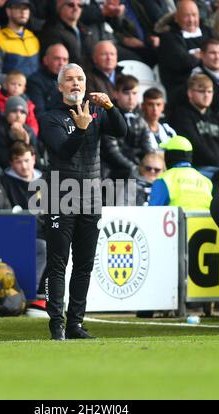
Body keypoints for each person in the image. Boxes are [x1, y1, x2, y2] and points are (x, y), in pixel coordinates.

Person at [39, 63, 127, 340]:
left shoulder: (97, 113)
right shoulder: (50, 117)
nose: (75, 83)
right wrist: (80, 130)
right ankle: (57, 325)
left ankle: (75, 324)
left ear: (86, 85)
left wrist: (111, 107)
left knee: (84, 264)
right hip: (59, 195)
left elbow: (122, 131)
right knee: (58, 263)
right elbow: (63, 151)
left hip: (90, 196)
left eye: (80, 79)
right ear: (59, 86)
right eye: (69, 79)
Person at [0, 141, 46, 297]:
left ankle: (51, 293)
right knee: (42, 247)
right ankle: (30, 293)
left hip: (45, 232)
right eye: (18, 162)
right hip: (19, 233)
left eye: (26, 160)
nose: (24, 166)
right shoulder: (4, 182)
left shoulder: (45, 179)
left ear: (33, 158)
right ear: (12, 163)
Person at [169, 74, 219, 179]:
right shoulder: (181, 115)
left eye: (209, 91)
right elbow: (195, 144)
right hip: (196, 168)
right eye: (201, 91)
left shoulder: (217, 118)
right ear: (190, 93)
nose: (206, 95)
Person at [159, 0, 212, 104]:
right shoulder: (169, 38)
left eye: (194, 15)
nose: (191, 20)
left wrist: (199, 56)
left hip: (212, 85)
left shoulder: (208, 32)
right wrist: (207, 57)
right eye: (186, 16)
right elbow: (183, 61)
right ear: (176, 18)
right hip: (182, 89)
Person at [101, 74, 152, 181]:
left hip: (134, 169)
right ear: (116, 94)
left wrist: (150, 165)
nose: (131, 98)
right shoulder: (108, 116)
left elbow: (147, 148)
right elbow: (112, 152)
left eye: (134, 93)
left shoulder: (140, 119)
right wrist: (135, 169)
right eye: (126, 93)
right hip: (110, 173)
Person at [149, 135, 213, 211]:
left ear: (169, 155)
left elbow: (152, 212)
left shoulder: (164, 180)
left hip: (177, 222)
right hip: (205, 222)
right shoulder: (206, 181)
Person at [0, 0, 40, 85]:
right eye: (18, 7)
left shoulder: (33, 39)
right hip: (12, 93)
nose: (23, 12)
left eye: (26, 8)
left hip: (36, 90)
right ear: (8, 11)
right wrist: (16, 82)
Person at [0, 95, 38, 171]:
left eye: (22, 112)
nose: (18, 115)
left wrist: (26, 142)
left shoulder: (29, 131)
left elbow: (36, 160)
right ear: (7, 113)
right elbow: (3, 159)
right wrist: (19, 140)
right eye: (14, 111)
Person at [39, 0, 94, 66]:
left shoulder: (86, 31)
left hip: (85, 74)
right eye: (71, 5)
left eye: (80, 5)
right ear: (60, 7)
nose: (76, 8)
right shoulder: (51, 30)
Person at [27, 44, 69, 120]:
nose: (61, 63)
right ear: (45, 60)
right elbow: (39, 114)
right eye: (57, 59)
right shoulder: (34, 81)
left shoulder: (71, 80)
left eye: (65, 60)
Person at [0, 70, 39, 136]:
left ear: (24, 89)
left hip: (23, 132)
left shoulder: (28, 103)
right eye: (13, 84)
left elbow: (32, 121)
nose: (16, 87)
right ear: (5, 85)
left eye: (19, 85)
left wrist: (31, 134)